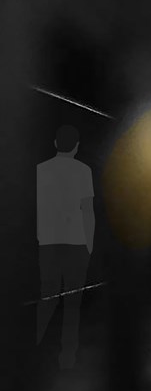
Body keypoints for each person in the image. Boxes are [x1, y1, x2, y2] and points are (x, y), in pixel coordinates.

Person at [36, 124, 94, 369]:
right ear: (77, 146)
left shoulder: (42, 170)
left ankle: (36, 344)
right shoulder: (83, 171)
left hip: (48, 240)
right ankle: (67, 354)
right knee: (73, 302)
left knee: (47, 297)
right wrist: (90, 243)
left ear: (56, 144)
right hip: (75, 240)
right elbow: (87, 211)